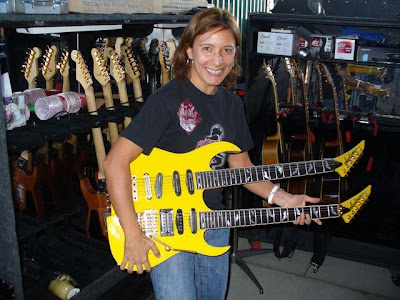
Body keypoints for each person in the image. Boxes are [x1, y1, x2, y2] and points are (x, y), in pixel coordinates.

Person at [103, 7, 321, 299]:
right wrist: (132, 234)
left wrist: (285, 199)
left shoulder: (232, 105)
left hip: (214, 224)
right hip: (169, 228)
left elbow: (241, 167)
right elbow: (114, 162)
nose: (217, 61)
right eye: (207, 48)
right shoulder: (167, 100)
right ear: (189, 51)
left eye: (226, 50)